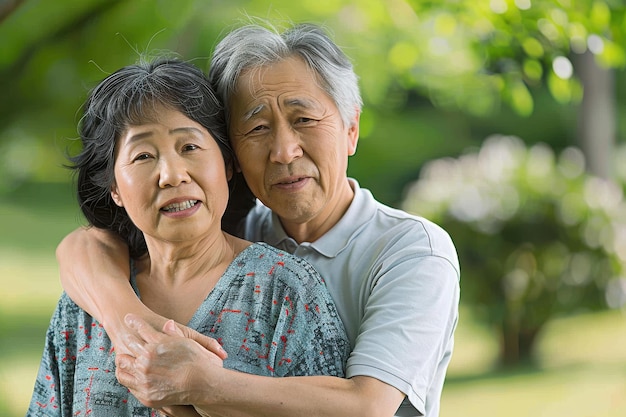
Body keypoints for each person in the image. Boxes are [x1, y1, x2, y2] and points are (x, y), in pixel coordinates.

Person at [56, 21, 460, 417]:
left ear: (351, 128)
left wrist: (202, 383)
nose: (284, 151)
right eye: (258, 127)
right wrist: (129, 323)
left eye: (304, 120)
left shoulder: (411, 252)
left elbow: (368, 407)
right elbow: (84, 247)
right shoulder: (233, 233)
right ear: (232, 151)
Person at [27, 57, 350, 417]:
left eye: (189, 148)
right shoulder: (85, 306)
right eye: (143, 155)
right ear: (114, 187)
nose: (171, 175)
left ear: (228, 164)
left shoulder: (286, 292)